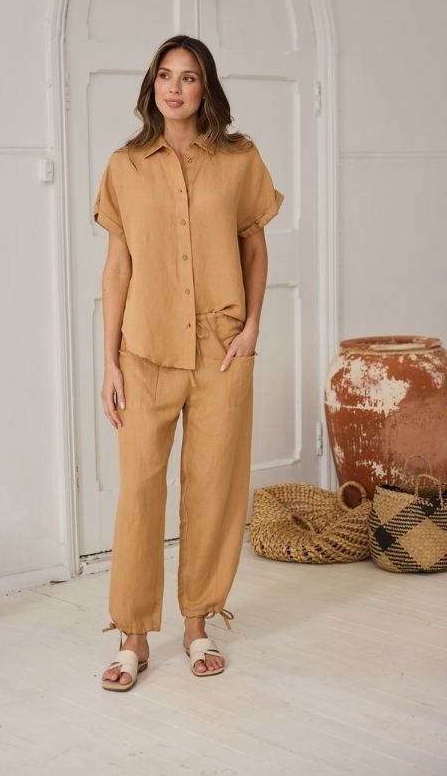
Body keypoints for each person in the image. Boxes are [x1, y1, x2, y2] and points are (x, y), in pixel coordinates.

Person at [93, 35, 284, 692]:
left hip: (220, 350)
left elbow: (254, 248)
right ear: (152, 86)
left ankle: (197, 623)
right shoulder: (124, 166)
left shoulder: (239, 159)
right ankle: (133, 635)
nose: (175, 88)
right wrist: (109, 362)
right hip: (144, 351)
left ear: (206, 89)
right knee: (140, 492)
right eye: (166, 76)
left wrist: (251, 329)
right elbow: (117, 268)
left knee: (212, 489)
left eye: (189, 77)